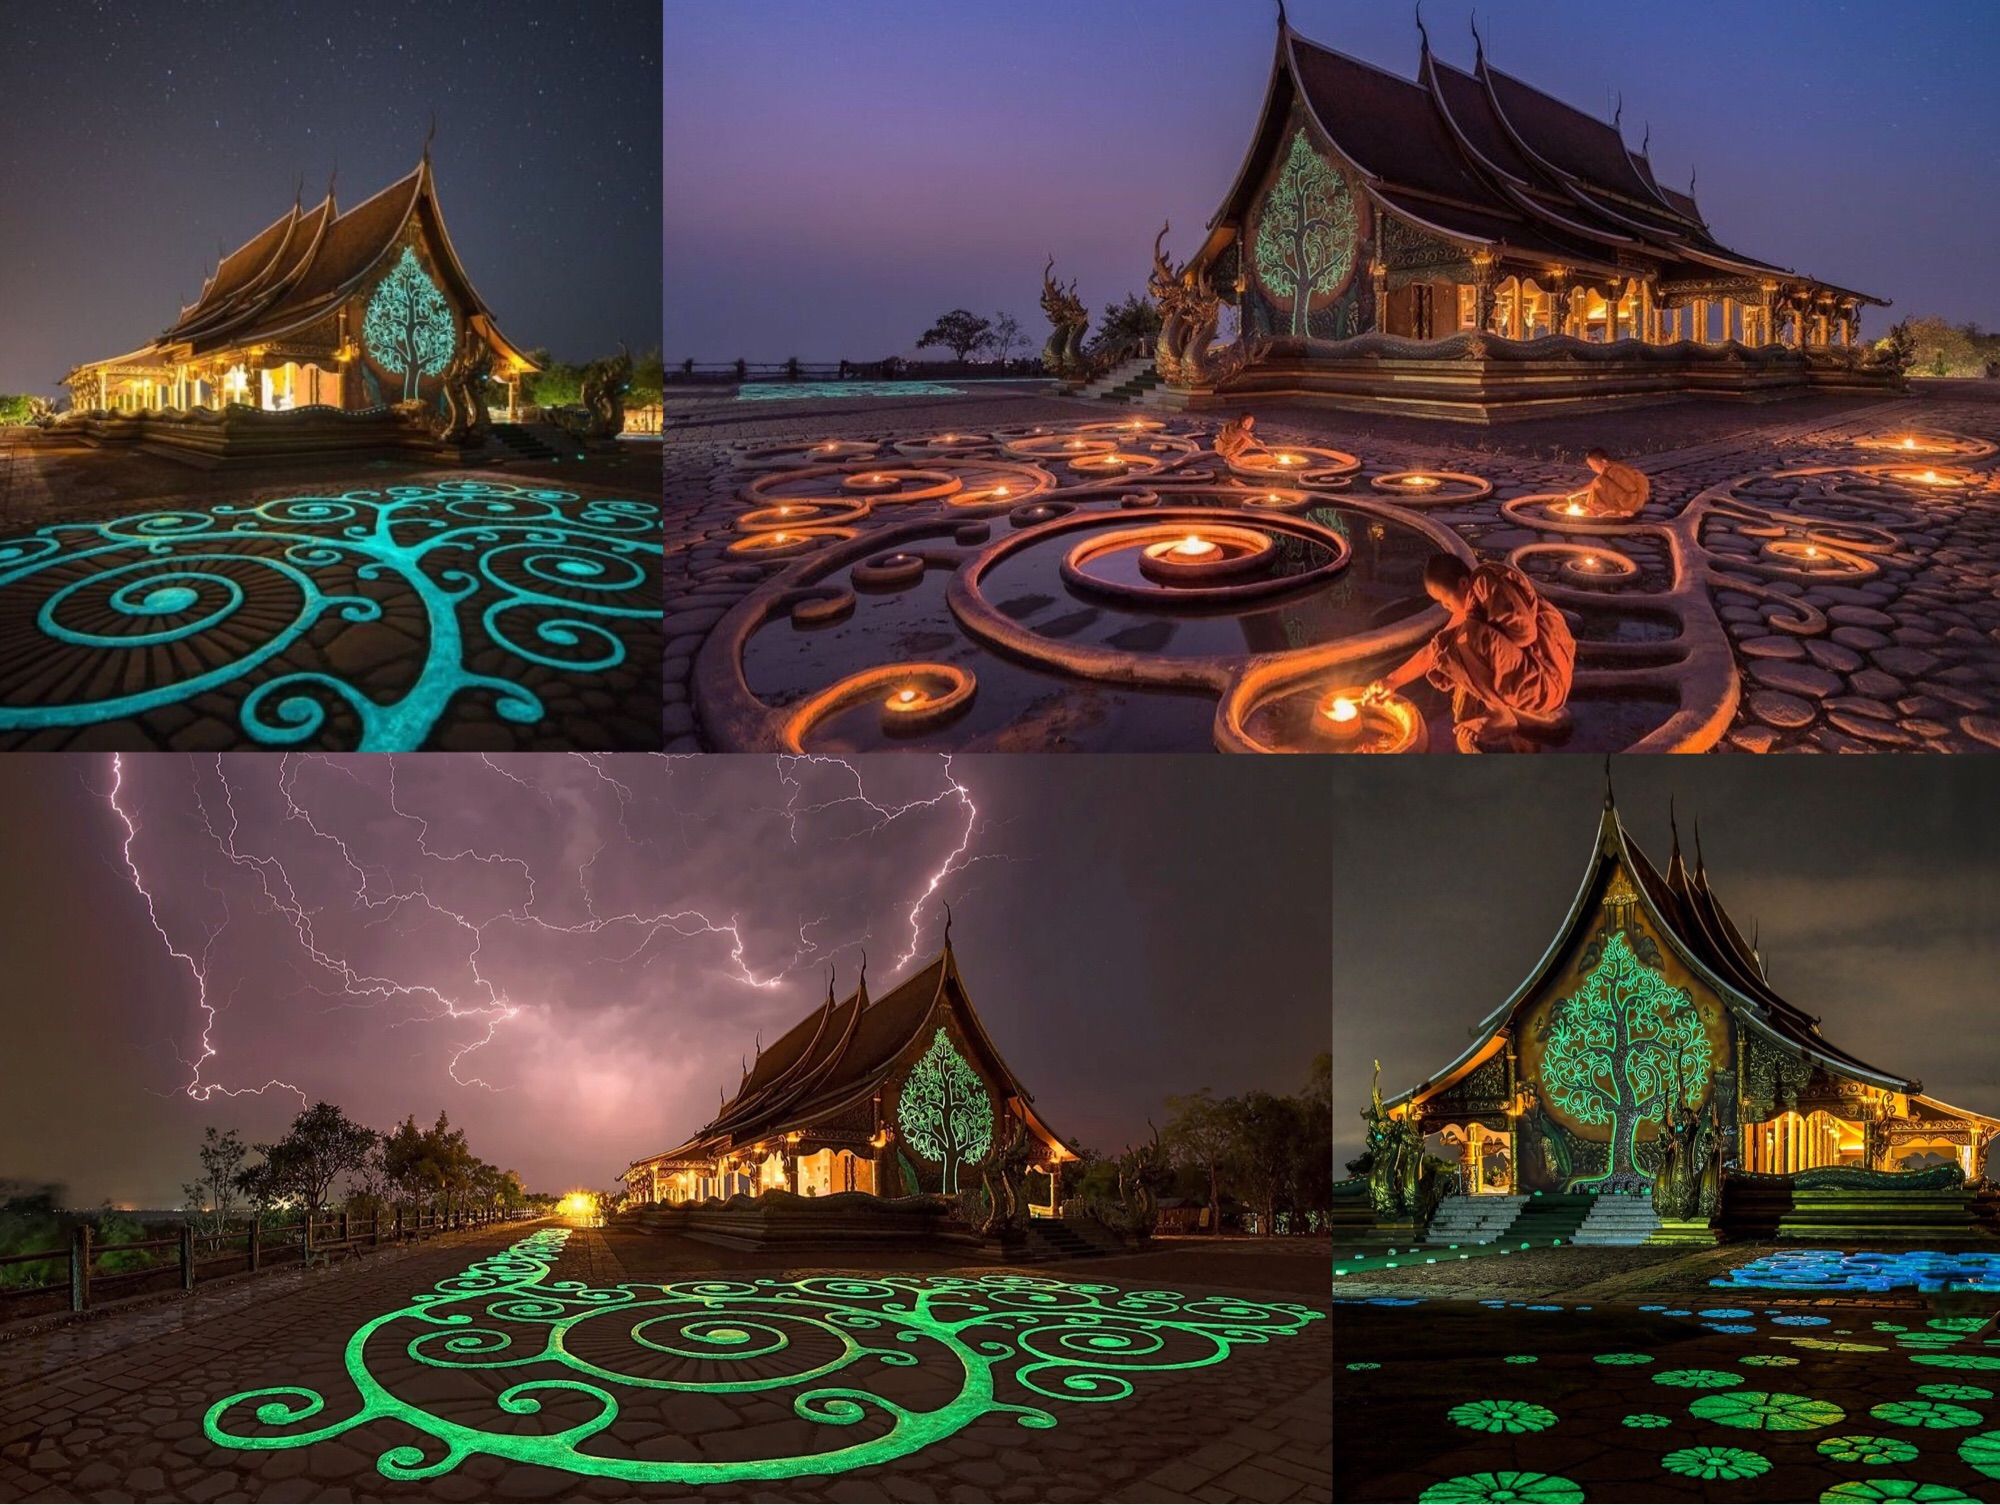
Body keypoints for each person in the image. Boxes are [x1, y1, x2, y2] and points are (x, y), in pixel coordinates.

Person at [1366, 554, 1576, 753]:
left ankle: (1501, 715)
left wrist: (1482, 627)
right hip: (1531, 679)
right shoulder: (1474, 602)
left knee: (1467, 637)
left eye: (1445, 600)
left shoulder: (1485, 583)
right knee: (1458, 647)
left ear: (1464, 583)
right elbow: (1434, 649)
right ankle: (1504, 721)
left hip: (1545, 685)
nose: (1445, 607)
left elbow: (1525, 634)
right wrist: (1391, 681)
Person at [1565, 446, 1649, 518]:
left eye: (1593, 465)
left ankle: (1602, 510)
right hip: (1632, 500)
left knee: (1600, 481)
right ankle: (1605, 509)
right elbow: (1593, 485)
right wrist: (1575, 493)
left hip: (1632, 502)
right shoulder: (1610, 471)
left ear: (1604, 462)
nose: (1593, 469)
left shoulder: (1614, 471)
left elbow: (1631, 488)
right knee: (1599, 482)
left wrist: (1629, 509)